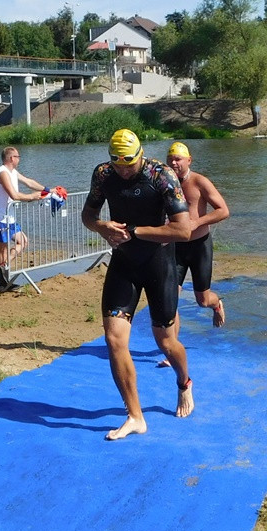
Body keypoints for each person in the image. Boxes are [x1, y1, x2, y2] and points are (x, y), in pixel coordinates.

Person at [81, 129, 194, 440]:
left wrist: (134, 230)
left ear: (140, 156)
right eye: (117, 164)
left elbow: (183, 231)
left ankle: (184, 382)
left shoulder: (162, 176)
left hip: (159, 265)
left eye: (128, 165)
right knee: (114, 339)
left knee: (166, 343)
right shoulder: (103, 175)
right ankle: (135, 416)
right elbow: (88, 215)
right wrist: (102, 226)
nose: (123, 171)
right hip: (124, 264)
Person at [166, 142, 229, 327]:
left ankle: (216, 304)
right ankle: (172, 351)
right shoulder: (165, 183)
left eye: (178, 159)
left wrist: (196, 222)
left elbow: (223, 210)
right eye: (170, 159)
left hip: (199, 246)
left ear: (189, 160)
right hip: (176, 247)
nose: (173, 163)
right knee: (170, 300)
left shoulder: (199, 182)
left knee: (203, 299)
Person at [0, 146, 50, 291]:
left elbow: (29, 182)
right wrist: (32, 197)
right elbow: (14, 195)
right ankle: (1, 281)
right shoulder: (2, 172)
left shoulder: (12, 171)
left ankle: (3, 268)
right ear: (11, 158)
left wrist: (47, 190)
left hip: (9, 217)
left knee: (22, 241)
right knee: (3, 248)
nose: (19, 159)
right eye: (18, 157)